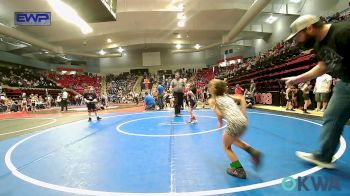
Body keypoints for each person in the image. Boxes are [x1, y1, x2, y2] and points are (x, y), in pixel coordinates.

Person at [282, 15, 350, 169]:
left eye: (297, 37)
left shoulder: (344, 31)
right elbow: (322, 66)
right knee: (332, 116)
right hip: (345, 84)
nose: (296, 42)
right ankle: (324, 156)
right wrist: (297, 79)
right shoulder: (319, 45)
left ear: (309, 28)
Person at [208, 79, 261, 179]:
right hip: (243, 121)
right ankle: (254, 152)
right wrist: (244, 114)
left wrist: (219, 122)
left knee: (226, 146)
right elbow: (241, 98)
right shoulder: (227, 96)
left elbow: (219, 114)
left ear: (213, 89)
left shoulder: (212, 100)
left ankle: (239, 170)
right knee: (234, 140)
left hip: (234, 123)